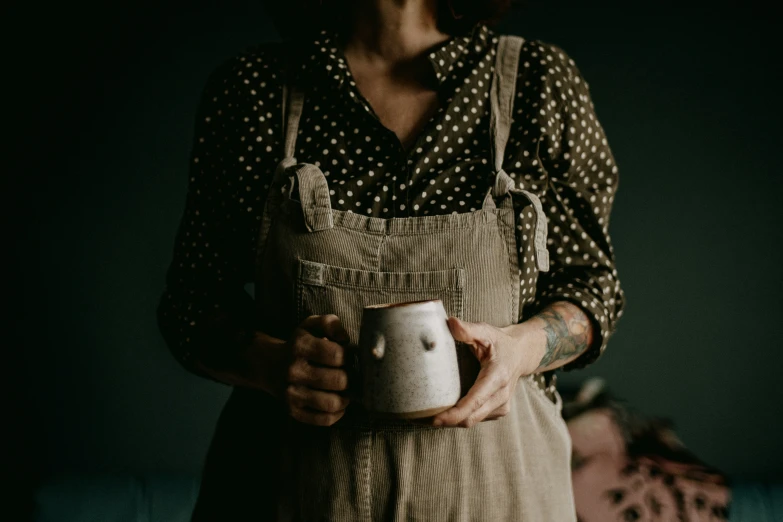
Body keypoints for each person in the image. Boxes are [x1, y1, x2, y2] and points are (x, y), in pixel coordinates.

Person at [157, 0, 625, 519]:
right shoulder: (255, 90)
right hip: (288, 493)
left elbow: (592, 290)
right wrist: (270, 363)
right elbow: (190, 304)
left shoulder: (538, 82)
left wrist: (519, 351)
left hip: (499, 498)